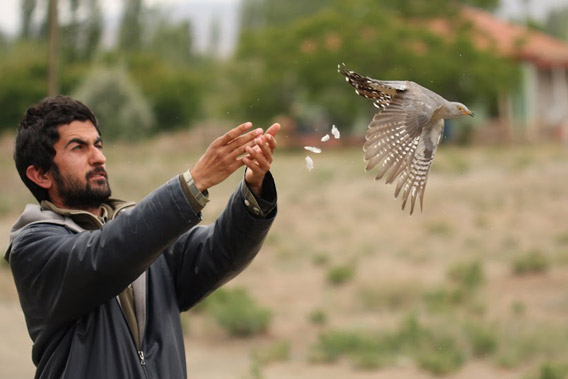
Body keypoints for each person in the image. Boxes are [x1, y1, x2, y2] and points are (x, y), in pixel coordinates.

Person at [5, 95, 280, 379]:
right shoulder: (33, 246)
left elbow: (218, 253)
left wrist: (253, 190)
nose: (99, 157)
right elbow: (102, 256)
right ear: (41, 175)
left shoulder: (140, 235)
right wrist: (193, 183)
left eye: (98, 144)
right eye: (78, 147)